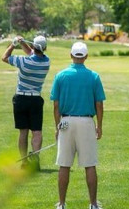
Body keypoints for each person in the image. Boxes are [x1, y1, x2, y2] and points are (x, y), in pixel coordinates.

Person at [50, 41, 106, 209]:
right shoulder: (94, 76)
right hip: (86, 121)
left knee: (64, 164)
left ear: (71, 55)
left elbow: (56, 105)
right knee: (89, 164)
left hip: (66, 121)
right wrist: (100, 125)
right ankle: (93, 204)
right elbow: (99, 105)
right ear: (86, 56)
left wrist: (57, 126)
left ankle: (61, 203)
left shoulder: (60, 76)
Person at [1, 35, 51, 169]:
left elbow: (4, 57)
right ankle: (35, 160)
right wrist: (23, 43)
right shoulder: (46, 62)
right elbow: (32, 53)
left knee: (23, 132)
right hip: (35, 99)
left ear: (34, 46)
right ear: (45, 48)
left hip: (21, 99)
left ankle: (24, 162)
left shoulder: (23, 62)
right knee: (37, 131)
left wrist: (13, 45)